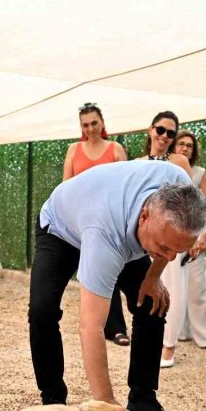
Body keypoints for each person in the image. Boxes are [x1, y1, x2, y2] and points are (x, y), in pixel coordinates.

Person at [29, 161, 206, 411]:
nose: (170, 256)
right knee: (42, 310)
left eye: (178, 251)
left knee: (152, 302)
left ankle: (143, 400)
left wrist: (153, 277)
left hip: (119, 223)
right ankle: (52, 402)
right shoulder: (105, 233)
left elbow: (169, 248)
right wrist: (108, 406)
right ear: (145, 216)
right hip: (61, 228)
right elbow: (91, 327)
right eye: (163, 248)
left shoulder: (180, 186)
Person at [62, 103, 131, 347]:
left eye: (94, 123)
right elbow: (66, 188)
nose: (90, 128)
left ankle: (117, 328)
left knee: (114, 272)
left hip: (111, 221)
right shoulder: (73, 150)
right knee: (92, 275)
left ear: (102, 122)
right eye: (85, 124)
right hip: (82, 223)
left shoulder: (116, 149)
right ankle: (96, 328)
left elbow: (125, 186)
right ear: (81, 127)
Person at [159, 130, 206, 368]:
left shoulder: (199, 173)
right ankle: (179, 333)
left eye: (189, 145)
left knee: (198, 290)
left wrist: (202, 236)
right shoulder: (166, 169)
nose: (185, 148)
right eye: (181, 144)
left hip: (196, 238)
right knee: (174, 289)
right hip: (172, 238)